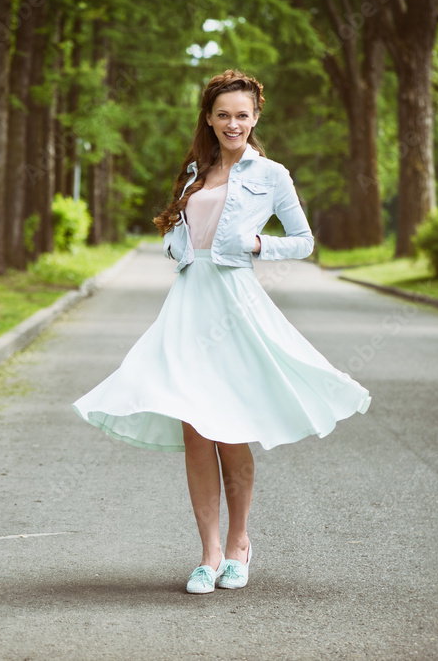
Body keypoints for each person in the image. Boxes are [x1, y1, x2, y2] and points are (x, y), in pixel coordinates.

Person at [72, 69, 371, 594]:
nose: (232, 123)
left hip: (235, 304)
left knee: (229, 428)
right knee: (196, 428)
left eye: (242, 115)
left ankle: (239, 544)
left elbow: (302, 241)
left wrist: (258, 246)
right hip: (189, 304)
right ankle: (208, 554)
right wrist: (177, 247)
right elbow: (179, 237)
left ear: (255, 118)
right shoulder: (195, 171)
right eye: (223, 115)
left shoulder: (272, 174)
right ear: (209, 119)